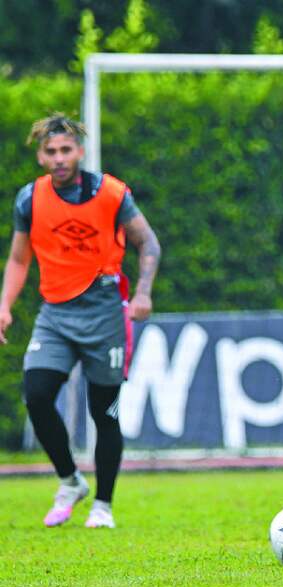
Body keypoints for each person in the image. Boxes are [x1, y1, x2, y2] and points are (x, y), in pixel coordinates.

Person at [0, 113, 161, 528]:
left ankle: (103, 505)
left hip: (105, 313)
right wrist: (4, 305)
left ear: (80, 152)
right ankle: (70, 480)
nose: (59, 158)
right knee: (36, 394)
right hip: (55, 314)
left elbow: (147, 242)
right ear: (40, 156)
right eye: (50, 151)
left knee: (103, 413)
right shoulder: (29, 200)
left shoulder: (111, 193)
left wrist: (142, 291)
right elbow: (19, 259)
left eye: (66, 150)